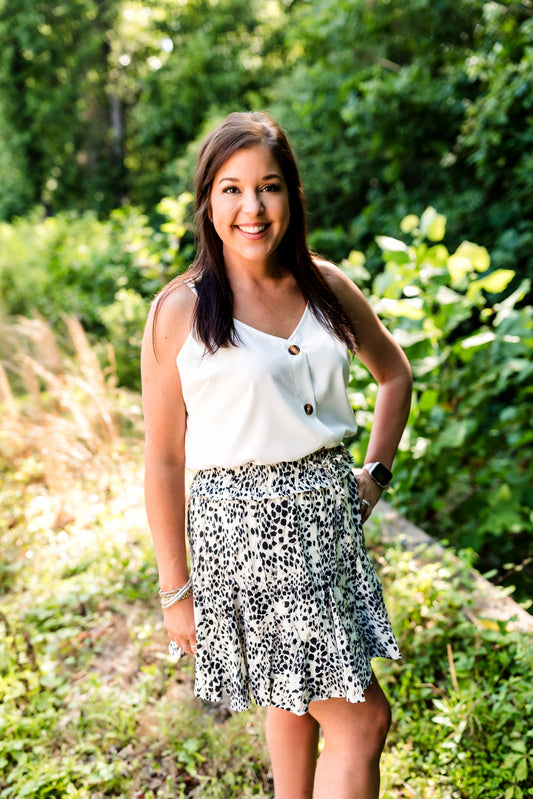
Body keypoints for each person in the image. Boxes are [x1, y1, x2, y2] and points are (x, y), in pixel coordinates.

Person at [141, 111, 412, 799]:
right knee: (361, 722)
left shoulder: (324, 285)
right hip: (248, 545)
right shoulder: (181, 308)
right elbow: (164, 461)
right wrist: (177, 592)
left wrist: (373, 475)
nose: (251, 208)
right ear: (207, 202)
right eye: (230, 189)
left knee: (295, 703)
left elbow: (395, 375)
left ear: (290, 194)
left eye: (267, 187)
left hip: (330, 527)